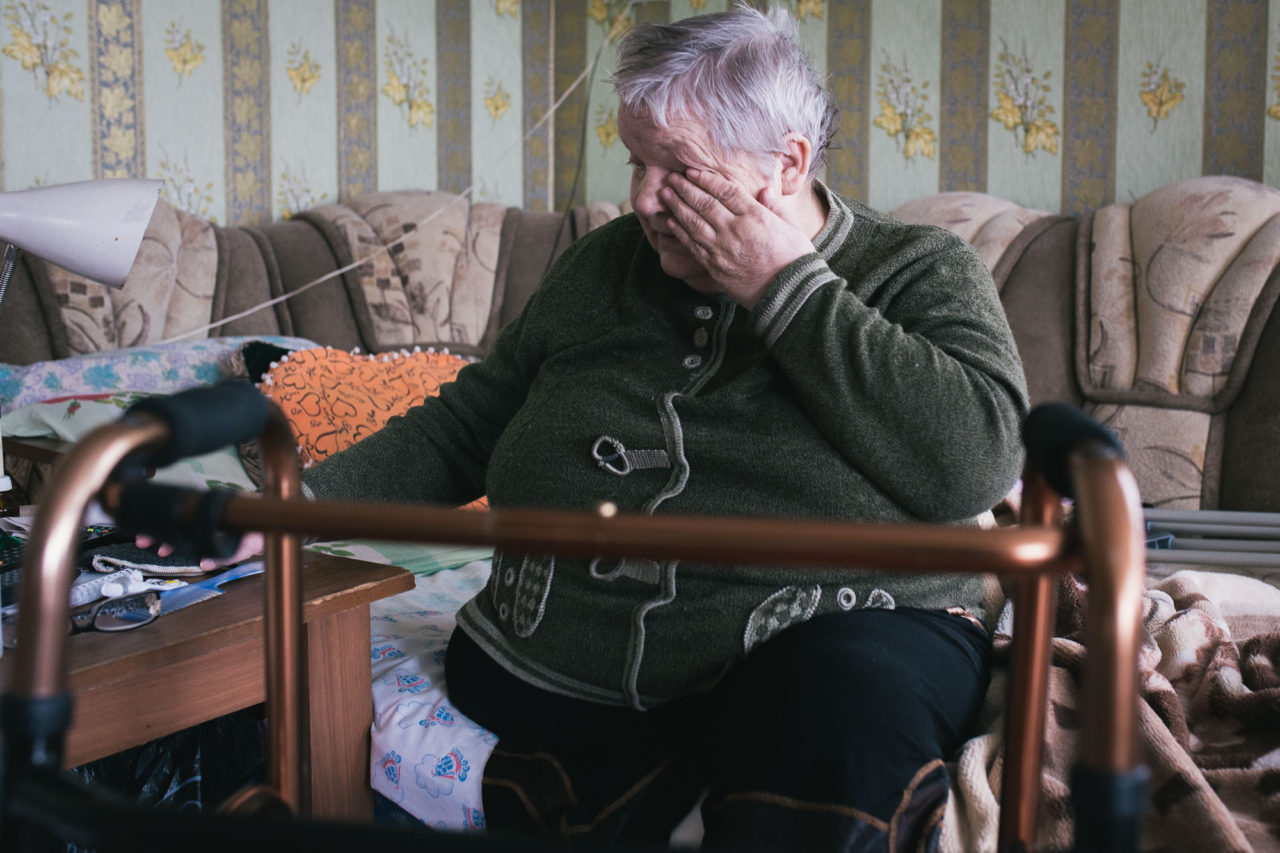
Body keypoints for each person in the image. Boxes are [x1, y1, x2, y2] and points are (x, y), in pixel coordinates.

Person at [302, 6, 1029, 850]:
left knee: (833, 712)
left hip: (849, 648)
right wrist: (298, 504)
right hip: (549, 674)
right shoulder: (601, 266)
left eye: (677, 168)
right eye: (635, 162)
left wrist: (785, 286)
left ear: (788, 163)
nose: (643, 198)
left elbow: (977, 460)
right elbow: (466, 426)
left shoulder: (918, 268)